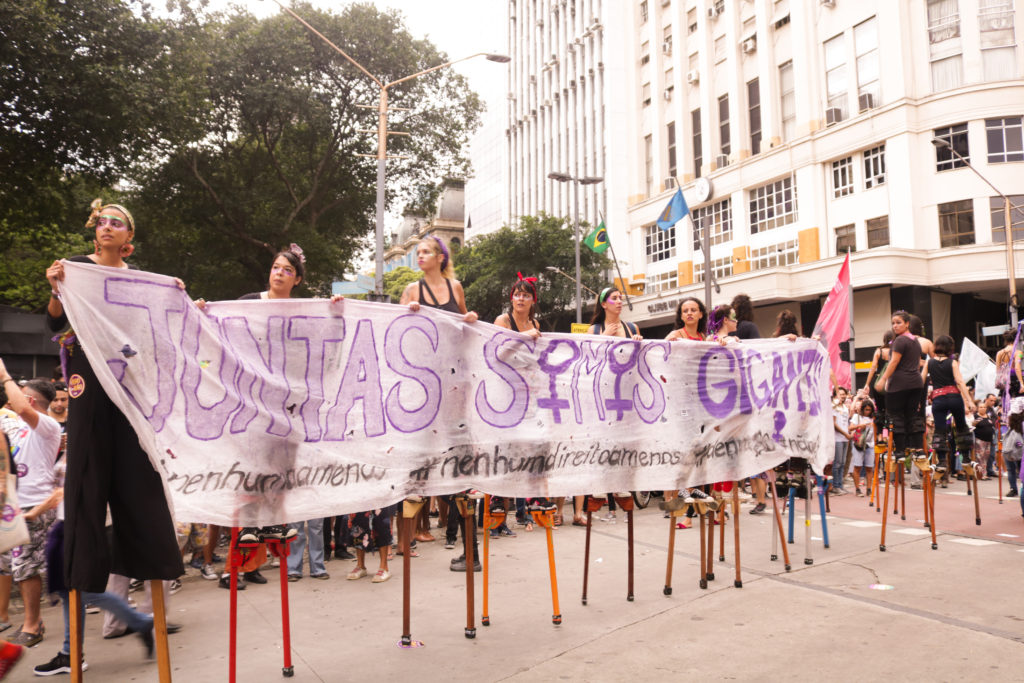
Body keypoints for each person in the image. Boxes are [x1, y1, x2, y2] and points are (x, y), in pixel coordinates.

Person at [44, 199, 184, 597]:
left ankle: (152, 564)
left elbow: (154, 324)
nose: (107, 226)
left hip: (128, 380)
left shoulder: (138, 279)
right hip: (87, 377)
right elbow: (55, 322)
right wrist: (55, 288)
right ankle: (85, 575)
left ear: (129, 239)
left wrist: (173, 295)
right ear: (95, 230)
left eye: (116, 223)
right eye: (102, 221)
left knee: (138, 469)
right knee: (87, 472)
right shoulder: (74, 266)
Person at [399, 236, 479, 573]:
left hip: (454, 386)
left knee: (462, 467)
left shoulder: (455, 287)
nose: (420, 256)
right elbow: (394, 331)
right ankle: (403, 545)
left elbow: (463, 328)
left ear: (441, 256)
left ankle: (470, 550)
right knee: (416, 465)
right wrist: (408, 315)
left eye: (426, 252)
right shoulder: (411, 291)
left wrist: (471, 318)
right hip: (423, 390)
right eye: (417, 253)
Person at [0, 371, 63, 648]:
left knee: (26, 568)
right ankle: (32, 620)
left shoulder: (48, 426)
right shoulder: (16, 423)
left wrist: (4, 376)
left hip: (33, 504)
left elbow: (23, 408)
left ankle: (32, 626)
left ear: (28, 399)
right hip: (11, 504)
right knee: (11, 566)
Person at [922, 335, 975, 481]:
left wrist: (919, 401)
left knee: (940, 430)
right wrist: (969, 401)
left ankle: (942, 461)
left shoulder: (930, 363)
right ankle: (965, 458)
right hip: (954, 397)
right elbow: (959, 381)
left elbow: (921, 381)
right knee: (961, 427)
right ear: (950, 348)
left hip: (938, 399)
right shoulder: (952, 362)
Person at [875, 311, 925, 460]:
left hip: (899, 384)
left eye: (898, 322)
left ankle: (900, 452)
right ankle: (919, 450)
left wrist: (883, 379)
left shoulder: (899, 341)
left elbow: (894, 362)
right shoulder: (915, 341)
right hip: (916, 383)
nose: (895, 326)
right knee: (912, 415)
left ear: (907, 323)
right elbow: (916, 364)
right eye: (893, 323)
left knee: (895, 417)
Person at [865, 330, 895, 435]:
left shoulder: (879, 351)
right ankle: (891, 435)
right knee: (891, 409)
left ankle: (880, 435)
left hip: (878, 383)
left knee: (879, 409)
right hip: (891, 383)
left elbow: (873, 368)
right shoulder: (895, 352)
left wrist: (867, 384)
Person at [848, 401, 876, 496]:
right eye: (866, 409)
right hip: (858, 444)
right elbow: (850, 428)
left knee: (869, 467)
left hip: (870, 444)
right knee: (857, 466)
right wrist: (860, 426)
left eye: (869, 410)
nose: (868, 411)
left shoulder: (873, 418)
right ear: (862, 409)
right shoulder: (857, 417)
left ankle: (869, 489)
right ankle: (857, 489)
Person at [830, 387, 852, 495]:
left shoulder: (844, 407)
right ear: (835, 396)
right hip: (837, 438)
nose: (842, 396)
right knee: (837, 463)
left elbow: (846, 423)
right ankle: (835, 486)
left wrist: (849, 432)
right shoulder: (833, 407)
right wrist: (845, 433)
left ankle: (840, 485)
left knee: (843, 463)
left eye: (844, 394)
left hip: (845, 438)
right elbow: (833, 424)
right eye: (840, 394)